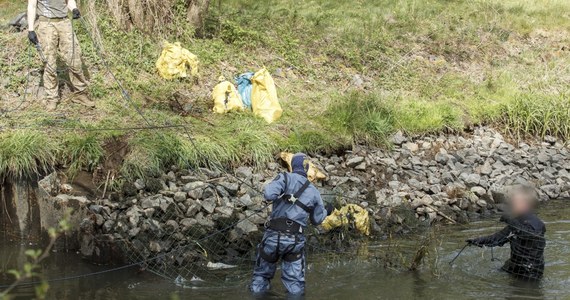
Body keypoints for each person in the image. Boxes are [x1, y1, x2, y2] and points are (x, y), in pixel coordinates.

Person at [251, 153, 333, 296]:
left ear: (293, 166)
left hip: (272, 237)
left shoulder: (284, 177)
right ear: (306, 167)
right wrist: (328, 211)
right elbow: (317, 220)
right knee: (295, 285)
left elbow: (269, 195)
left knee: (261, 278)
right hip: (294, 241)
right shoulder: (314, 191)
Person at [467, 186, 546, 280]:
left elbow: (530, 234)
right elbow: (496, 239)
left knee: (522, 292)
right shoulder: (516, 222)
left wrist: (511, 221)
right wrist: (477, 240)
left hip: (531, 271)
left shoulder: (537, 223)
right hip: (514, 266)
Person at [27, 0, 94, 111]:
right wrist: (31, 29)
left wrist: (74, 9)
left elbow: (69, 1)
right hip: (46, 24)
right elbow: (32, 5)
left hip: (64, 22)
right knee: (49, 63)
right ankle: (52, 98)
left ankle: (80, 94)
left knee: (75, 58)